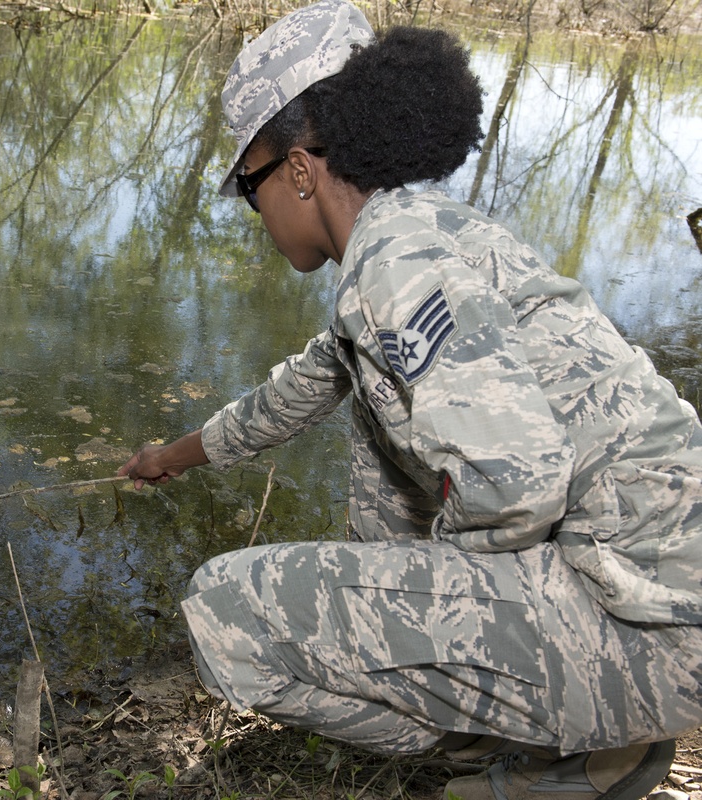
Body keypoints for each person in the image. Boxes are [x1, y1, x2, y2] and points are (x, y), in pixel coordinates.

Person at [118, 2, 702, 797]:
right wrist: (169, 458)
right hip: (658, 598)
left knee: (224, 614)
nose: (256, 215)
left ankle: (534, 754)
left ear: (296, 169)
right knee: (367, 401)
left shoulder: (392, 261)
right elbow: (295, 391)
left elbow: (518, 485)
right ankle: (572, 739)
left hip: (643, 633)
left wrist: (429, 587)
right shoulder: (429, 231)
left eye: (248, 187)